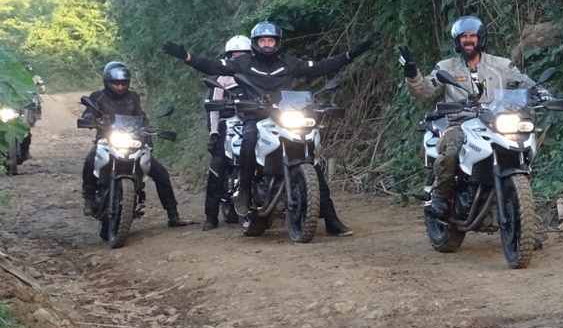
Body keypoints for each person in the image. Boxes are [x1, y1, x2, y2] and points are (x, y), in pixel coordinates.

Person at [163, 21, 376, 236]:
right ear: (255, 43)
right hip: (255, 116)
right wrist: (187, 57)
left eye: (271, 40)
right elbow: (214, 66)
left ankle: (331, 220)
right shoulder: (244, 62)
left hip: (284, 115)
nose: (267, 44)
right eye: (263, 40)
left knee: (312, 160)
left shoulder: (289, 63)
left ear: (277, 42)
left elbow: (321, 67)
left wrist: (352, 54)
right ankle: (244, 192)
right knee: (249, 138)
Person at [399, 15, 543, 220]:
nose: (468, 40)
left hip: (494, 121)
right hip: (459, 122)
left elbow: (523, 81)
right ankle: (439, 196)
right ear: (457, 41)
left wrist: (540, 92)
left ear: (480, 38)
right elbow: (426, 91)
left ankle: (522, 209)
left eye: (472, 36)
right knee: (452, 147)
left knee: (523, 140)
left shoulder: (502, 65)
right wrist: (412, 73)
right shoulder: (446, 67)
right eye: (463, 37)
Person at [79, 61, 190, 227]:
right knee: (90, 160)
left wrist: (148, 130)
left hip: (132, 142)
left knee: (161, 174)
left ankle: (173, 215)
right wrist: (89, 119)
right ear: (107, 82)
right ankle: (88, 198)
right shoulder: (98, 96)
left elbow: (141, 116)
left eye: (123, 83)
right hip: (107, 141)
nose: (120, 87)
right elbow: (89, 111)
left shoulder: (133, 97)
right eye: (116, 83)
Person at [202, 35, 252, 230]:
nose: (239, 58)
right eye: (235, 55)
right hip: (228, 123)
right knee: (217, 165)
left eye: (244, 54)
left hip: (255, 121)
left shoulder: (258, 73)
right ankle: (211, 216)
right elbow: (213, 108)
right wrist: (214, 132)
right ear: (228, 56)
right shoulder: (222, 78)